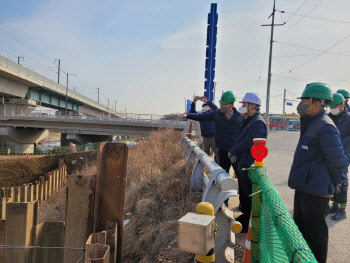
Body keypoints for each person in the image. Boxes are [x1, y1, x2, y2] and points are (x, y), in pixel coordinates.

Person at [288, 83, 348, 263]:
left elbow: (339, 161)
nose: (302, 103)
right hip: (304, 188)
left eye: (306, 100)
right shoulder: (311, 122)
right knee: (301, 233)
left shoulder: (325, 126)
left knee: (316, 239)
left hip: (317, 192)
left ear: (317, 103)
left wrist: (339, 184)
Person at [228, 92, 267, 232]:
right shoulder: (249, 120)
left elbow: (248, 142)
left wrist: (233, 151)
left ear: (253, 106)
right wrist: (233, 150)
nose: (243, 107)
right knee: (244, 191)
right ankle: (245, 218)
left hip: (248, 163)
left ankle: (249, 224)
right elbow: (240, 138)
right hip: (243, 162)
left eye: (245, 105)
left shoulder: (257, 123)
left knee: (249, 193)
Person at [179, 91, 243, 174]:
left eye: (224, 104)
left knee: (240, 177)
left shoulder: (240, 118)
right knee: (221, 175)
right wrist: (187, 115)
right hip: (222, 151)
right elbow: (200, 116)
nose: (222, 106)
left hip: (235, 152)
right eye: (221, 104)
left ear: (232, 105)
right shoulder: (217, 114)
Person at [328, 92, 350, 220]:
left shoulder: (348, 118)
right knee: (332, 180)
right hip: (330, 154)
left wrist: (339, 141)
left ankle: (342, 209)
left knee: (342, 180)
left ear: (343, 104)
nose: (333, 109)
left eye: (335, 106)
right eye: (331, 106)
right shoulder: (328, 117)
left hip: (344, 154)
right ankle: (335, 205)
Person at [190, 96, 218, 161]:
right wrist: (193, 102)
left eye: (206, 105)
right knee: (206, 155)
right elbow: (193, 112)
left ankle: (219, 169)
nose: (205, 107)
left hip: (213, 137)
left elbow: (216, 109)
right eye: (203, 106)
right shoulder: (201, 116)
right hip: (205, 138)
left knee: (217, 154)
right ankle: (207, 170)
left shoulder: (213, 115)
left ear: (209, 107)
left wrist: (208, 102)